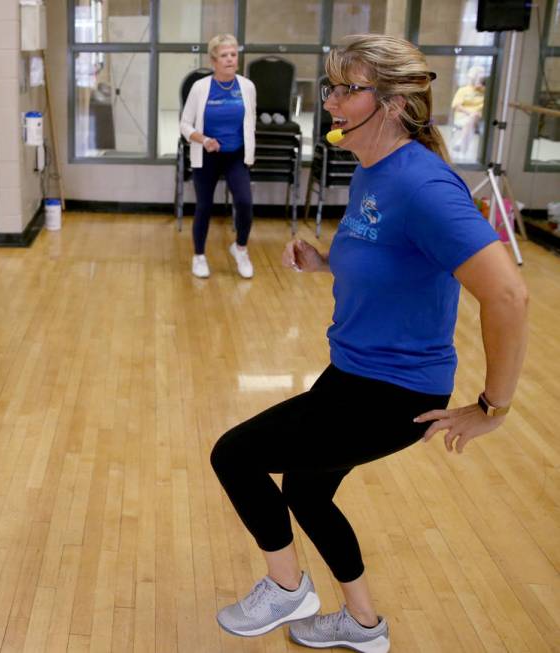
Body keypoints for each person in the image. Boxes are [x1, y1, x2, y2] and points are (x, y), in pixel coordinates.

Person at [210, 34, 528, 653]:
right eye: (330, 86)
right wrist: (327, 262)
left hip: (392, 393)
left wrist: (494, 407)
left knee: (237, 455)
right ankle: (362, 626)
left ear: (391, 103)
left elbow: (509, 296)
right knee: (304, 489)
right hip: (352, 375)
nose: (329, 101)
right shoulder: (373, 170)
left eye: (345, 89)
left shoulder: (425, 187)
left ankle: (288, 588)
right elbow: (395, 257)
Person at [179, 34, 256, 279]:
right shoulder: (200, 87)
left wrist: (249, 152)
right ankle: (199, 256)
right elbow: (184, 124)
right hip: (207, 155)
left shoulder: (247, 87)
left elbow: (250, 122)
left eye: (233, 54)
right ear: (214, 60)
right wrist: (204, 140)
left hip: (235, 155)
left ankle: (240, 248)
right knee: (204, 206)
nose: (230, 59)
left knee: (244, 203)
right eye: (224, 55)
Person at [451, 66, 485, 157]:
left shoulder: (485, 91)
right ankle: (463, 150)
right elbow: (456, 106)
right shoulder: (463, 90)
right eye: (477, 79)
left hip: (480, 117)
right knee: (470, 120)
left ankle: (461, 143)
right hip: (464, 116)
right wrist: (470, 113)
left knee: (473, 118)